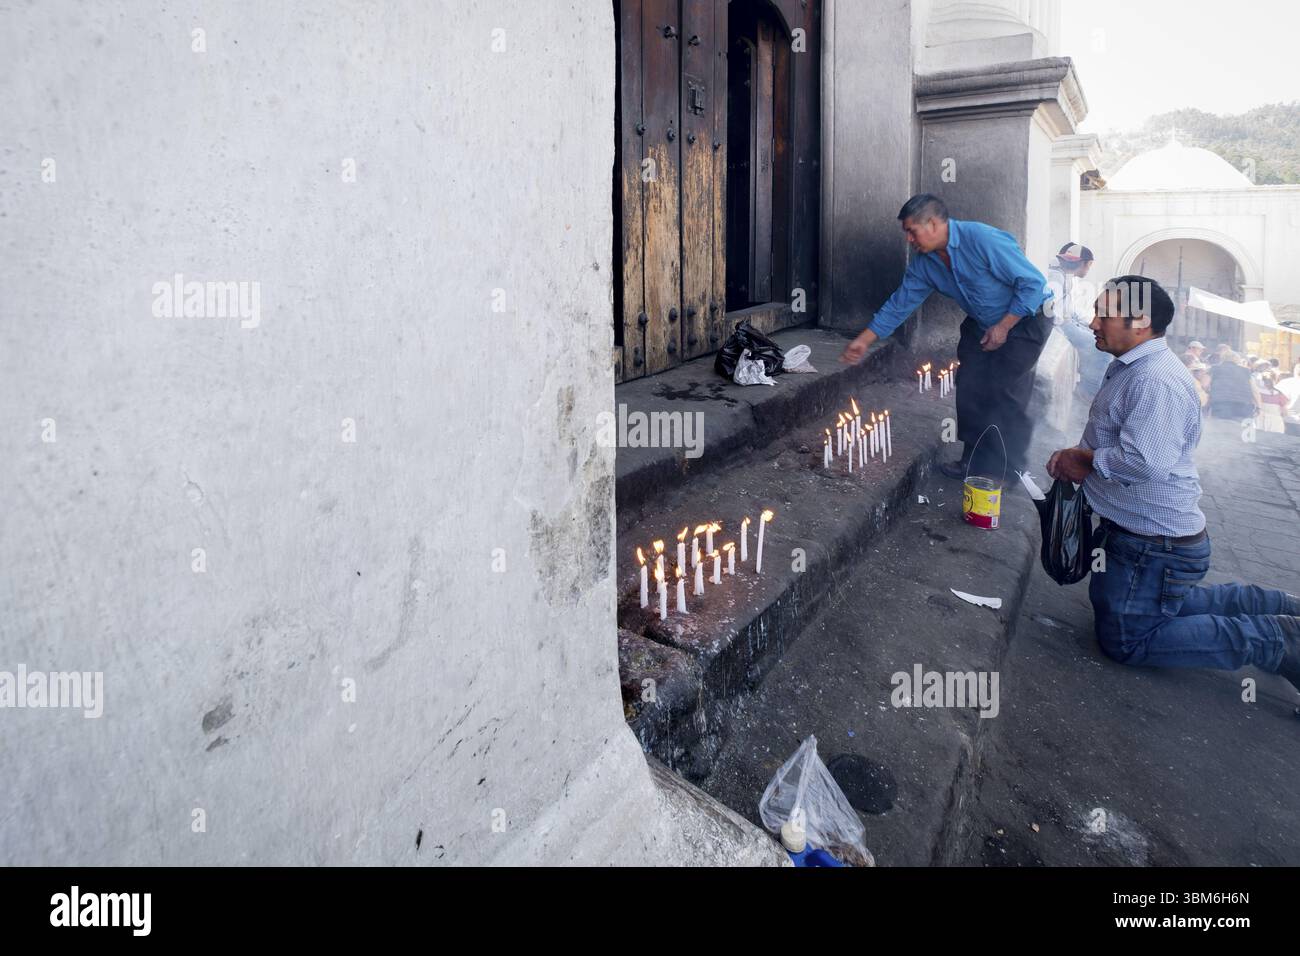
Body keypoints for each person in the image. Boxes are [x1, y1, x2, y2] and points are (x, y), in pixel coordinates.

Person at [1046, 276, 1300, 691]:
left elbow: (1146, 464)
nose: (1092, 323)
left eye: (1103, 314)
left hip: (1151, 545)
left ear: (1141, 321)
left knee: (1127, 640)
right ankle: (1280, 608)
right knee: (1170, 603)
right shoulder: (1132, 365)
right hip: (1152, 544)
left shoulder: (1154, 379)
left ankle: (1276, 639)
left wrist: (1085, 461)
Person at [839, 194, 1051, 478]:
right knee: (970, 385)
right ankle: (973, 461)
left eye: (912, 232)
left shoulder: (982, 239)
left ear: (934, 224)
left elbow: (1033, 284)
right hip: (981, 322)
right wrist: (865, 339)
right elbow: (901, 302)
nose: (909, 240)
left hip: (1027, 319)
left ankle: (1007, 468)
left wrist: (1004, 326)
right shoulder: (924, 264)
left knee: (1003, 389)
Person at [1048, 242, 1110, 400]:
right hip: (1060, 326)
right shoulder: (1055, 276)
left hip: (1067, 323)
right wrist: (1069, 326)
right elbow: (1052, 313)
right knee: (1100, 349)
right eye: (1089, 265)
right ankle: (1088, 395)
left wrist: (1089, 324)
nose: (1089, 269)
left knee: (1101, 337)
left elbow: (1069, 309)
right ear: (1083, 263)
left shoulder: (1064, 275)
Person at [1207, 351, 1259, 421]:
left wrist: (1210, 392)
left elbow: (1205, 384)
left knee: (1219, 428)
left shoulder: (1215, 368)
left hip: (1220, 404)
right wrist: (1258, 406)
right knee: (1239, 429)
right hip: (1243, 406)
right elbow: (1254, 390)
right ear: (1237, 359)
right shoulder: (1246, 371)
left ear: (1222, 358)